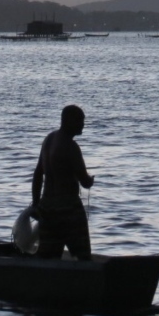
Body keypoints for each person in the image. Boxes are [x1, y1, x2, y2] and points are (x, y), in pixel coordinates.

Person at [31, 105, 95, 260]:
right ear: (68, 121)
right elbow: (84, 182)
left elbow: (38, 173)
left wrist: (35, 203)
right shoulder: (71, 147)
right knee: (83, 257)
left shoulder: (49, 139)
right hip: (69, 210)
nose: (82, 125)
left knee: (47, 257)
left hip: (47, 209)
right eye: (79, 121)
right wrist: (91, 179)